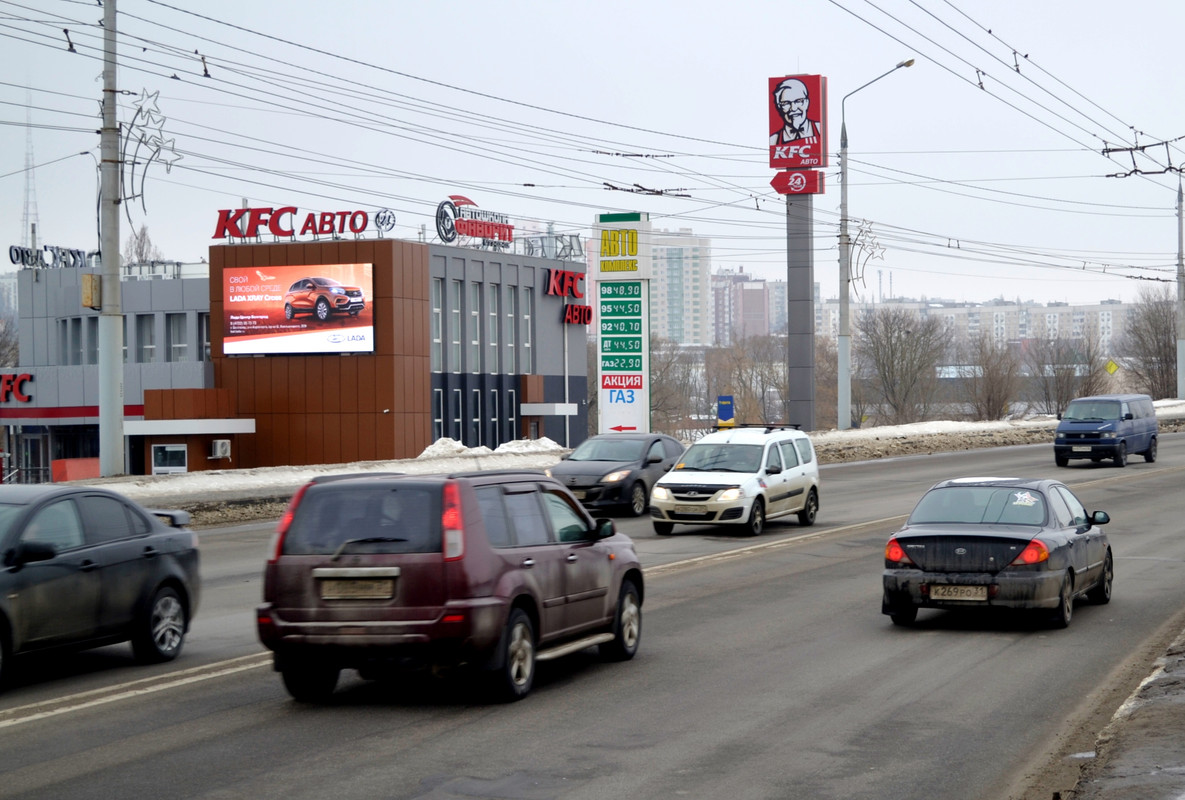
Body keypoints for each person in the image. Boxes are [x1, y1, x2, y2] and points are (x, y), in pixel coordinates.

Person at [770, 78, 821, 145]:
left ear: (807, 103)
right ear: (779, 107)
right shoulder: (773, 140)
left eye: (798, 101)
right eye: (786, 103)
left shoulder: (820, 129)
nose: (793, 108)